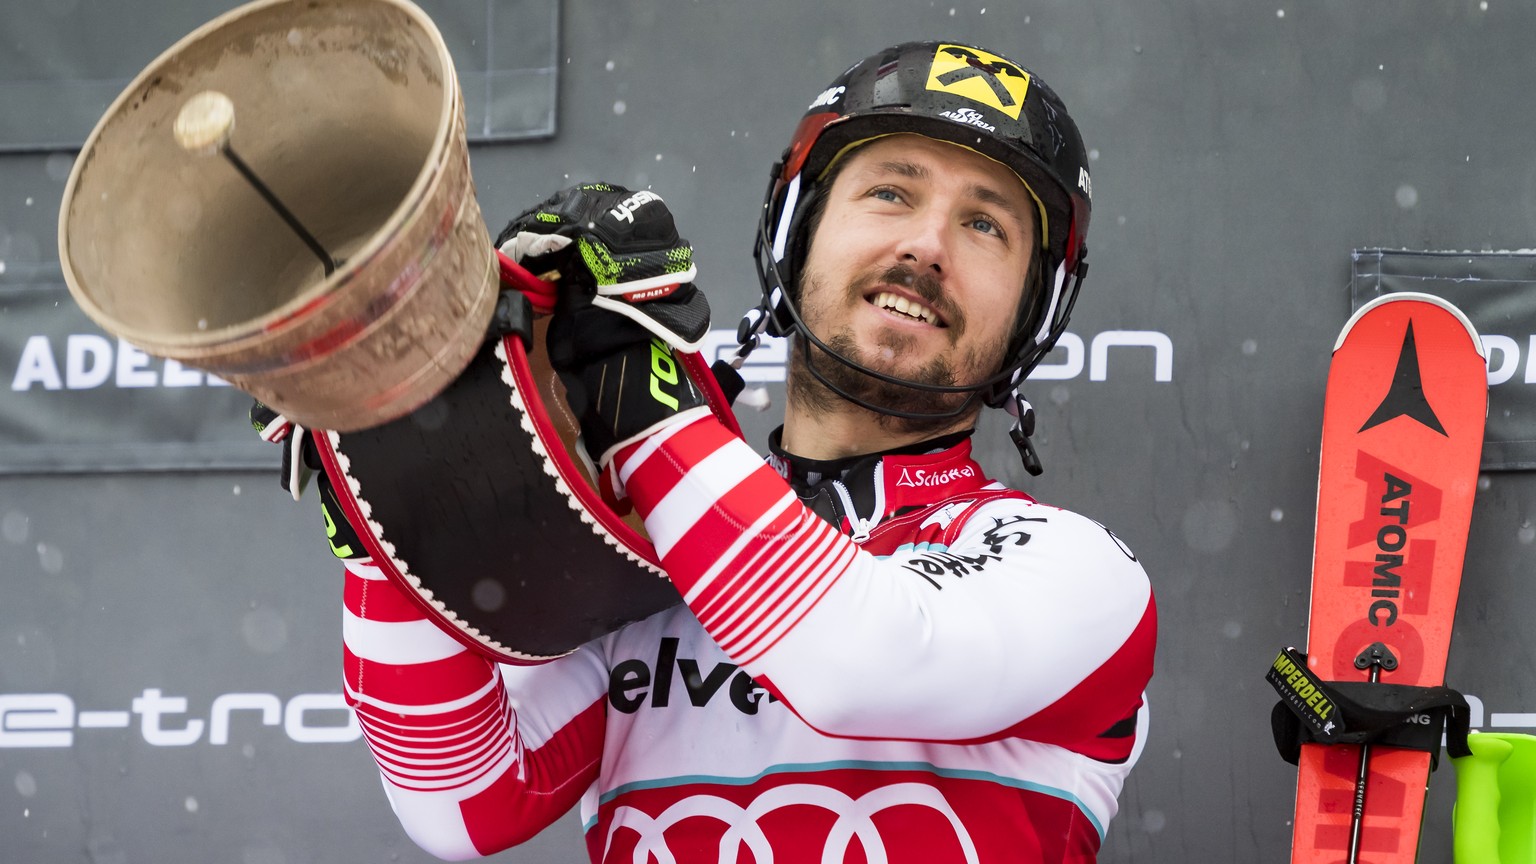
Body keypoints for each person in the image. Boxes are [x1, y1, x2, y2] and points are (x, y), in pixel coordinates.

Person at [326, 40, 1156, 863]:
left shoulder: (1079, 572)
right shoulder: (648, 564)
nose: (927, 245)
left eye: (984, 224)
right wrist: (391, 511)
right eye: (890, 192)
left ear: (1033, 310)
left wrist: (638, 394)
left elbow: (856, 663)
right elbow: (463, 806)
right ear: (795, 231)